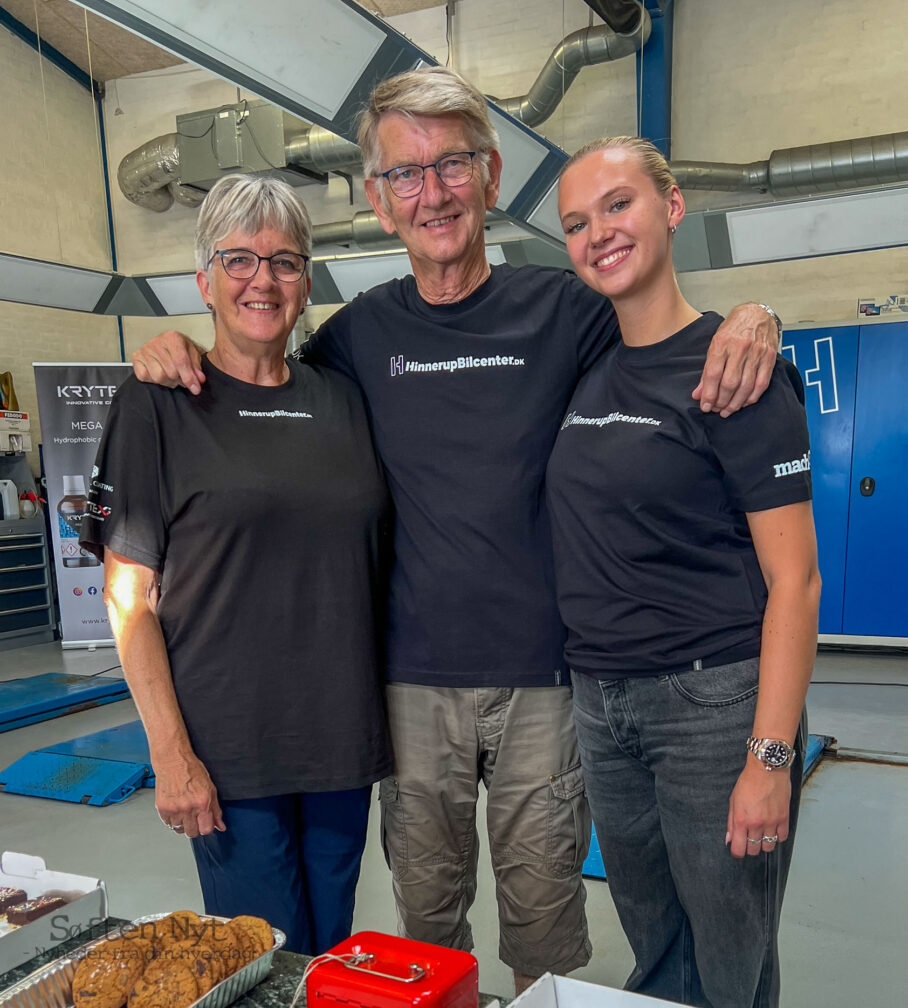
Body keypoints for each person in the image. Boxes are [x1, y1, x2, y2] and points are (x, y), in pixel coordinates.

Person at [130, 68, 782, 993]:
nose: (431, 192)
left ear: (489, 174)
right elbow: (257, 365)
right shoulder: (356, 336)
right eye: (406, 174)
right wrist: (172, 349)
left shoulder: (567, 311)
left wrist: (757, 316)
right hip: (407, 688)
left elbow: (665, 327)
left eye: (451, 166)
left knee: (546, 925)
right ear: (378, 199)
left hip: (545, 685)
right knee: (425, 926)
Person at [81, 174, 391, 956]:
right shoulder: (156, 403)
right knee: (259, 960)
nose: (263, 279)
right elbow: (129, 599)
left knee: (326, 957)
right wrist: (169, 753)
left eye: (285, 262)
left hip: (339, 743)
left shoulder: (343, 399)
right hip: (226, 754)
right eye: (240, 259)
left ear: (306, 282)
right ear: (204, 281)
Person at [547, 136, 821, 1007]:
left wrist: (770, 758)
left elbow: (797, 582)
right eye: (577, 223)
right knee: (657, 950)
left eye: (618, 205)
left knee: (730, 960)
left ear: (671, 207)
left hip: (714, 705)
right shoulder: (586, 365)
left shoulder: (734, 374)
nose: (599, 234)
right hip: (604, 705)